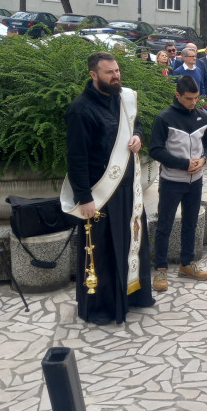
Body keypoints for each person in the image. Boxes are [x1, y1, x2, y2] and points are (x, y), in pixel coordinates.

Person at [63, 52, 154, 325]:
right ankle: (103, 307)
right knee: (102, 252)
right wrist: (84, 198)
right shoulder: (80, 110)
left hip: (128, 190)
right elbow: (76, 159)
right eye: (109, 73)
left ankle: (132, 295)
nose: (116, 76)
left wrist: (138, 136)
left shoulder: (123, 97)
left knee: (131, 243)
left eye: (117, 71)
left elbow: (135, 123)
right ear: (93, 75)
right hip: (101, 195)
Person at [148, 75, 207, 292]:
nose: (193, 103)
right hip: (171, 181)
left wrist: (203, 160)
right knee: (164, 226)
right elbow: (155, 150)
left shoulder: (203, 117)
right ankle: (161, 268)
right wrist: (184, 164)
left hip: (196, 182)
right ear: (177, 95)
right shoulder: (164, 118)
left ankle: (187, 263)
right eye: (188, 98)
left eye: (196, 98)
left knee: (191, 223)